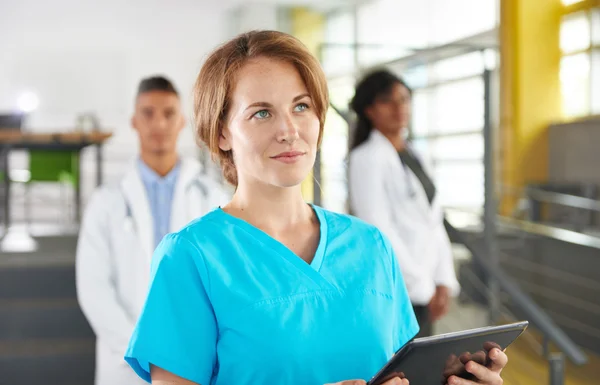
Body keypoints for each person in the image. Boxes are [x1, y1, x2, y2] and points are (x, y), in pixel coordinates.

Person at [124, 31, 507, 385]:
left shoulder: (370, 246)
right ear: (222, 131)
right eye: (261, 112)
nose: (289, 129)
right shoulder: (192, 257)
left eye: (301, 106)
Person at [76, 76, 228, 385]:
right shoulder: (106, 201)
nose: (158, 122)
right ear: (134, 121)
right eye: (148, 113)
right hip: (124, 361)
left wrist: (185, 350)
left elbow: (224, 280)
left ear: (182, 121)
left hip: (195, 357)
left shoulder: (213, 197)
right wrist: (141, 349)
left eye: (169, 113)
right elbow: (93, 288)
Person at [348, 70, 460, 337]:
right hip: (398, 288)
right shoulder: (366, 158)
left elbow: (434, 222)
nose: (400, 107)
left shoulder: (417, 155)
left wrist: (443, 279)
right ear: (369, 110)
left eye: (405, 99)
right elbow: (378, 229)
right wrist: (421, 284)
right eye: (388, 100)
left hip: (426, 286)